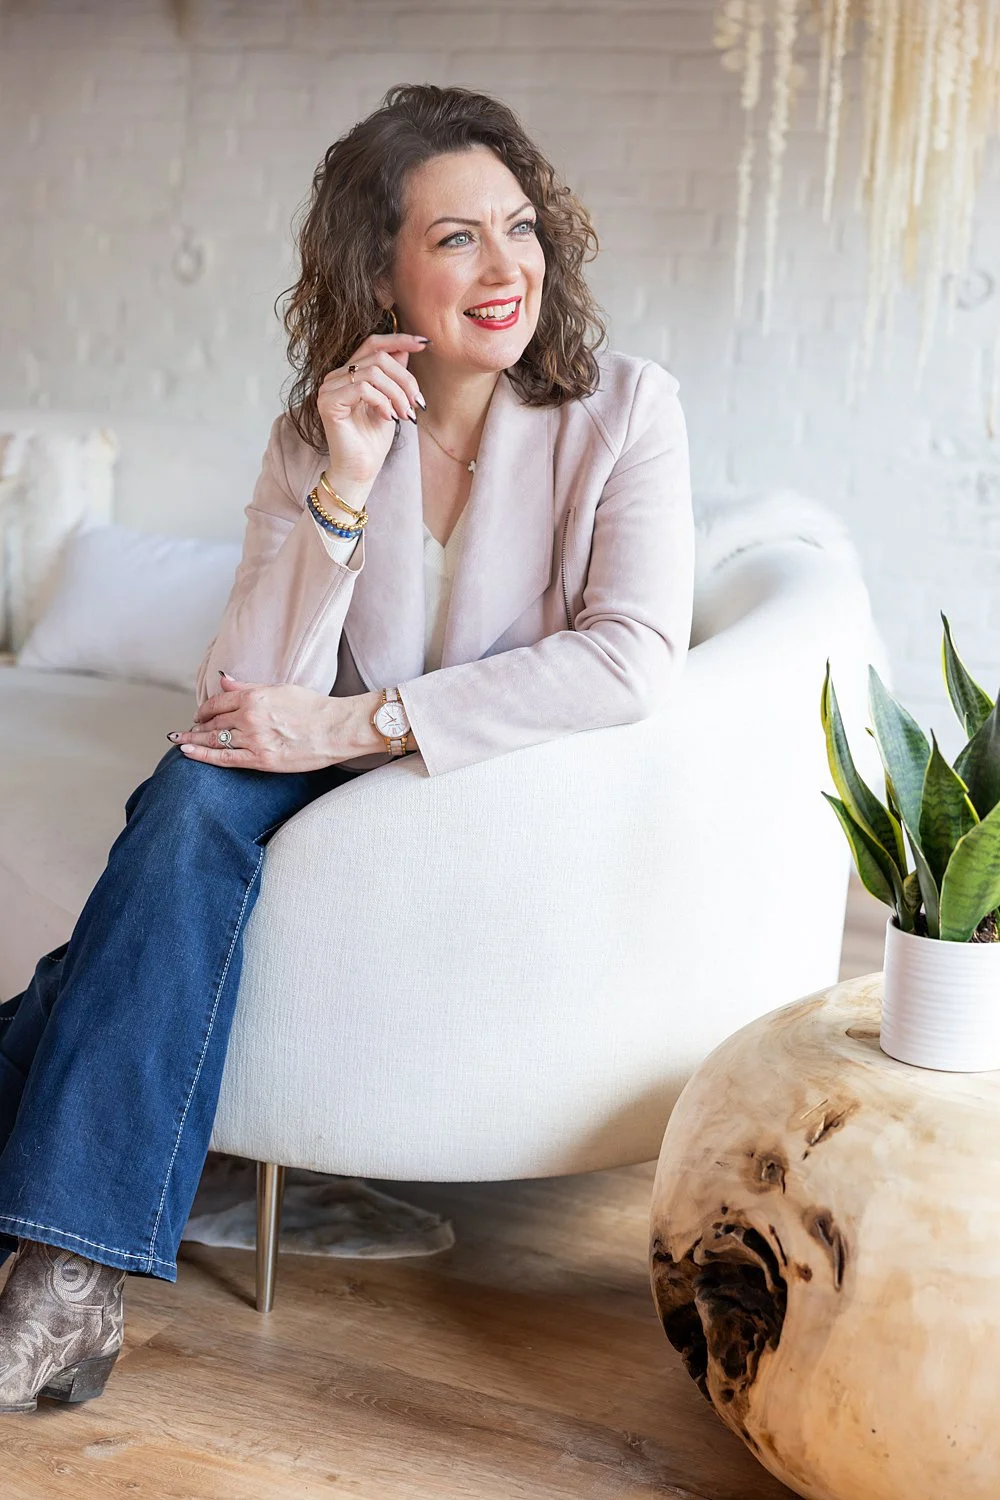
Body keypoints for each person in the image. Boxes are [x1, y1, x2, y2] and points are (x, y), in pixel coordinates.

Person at [0, 82, 695, 1412]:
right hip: (314, 764)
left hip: (469, 778)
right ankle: (70, 1284)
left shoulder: (622, 411)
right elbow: (245, 691)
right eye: (456, 239)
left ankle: (58, 1266)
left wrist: (358, 723)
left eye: (520, 227)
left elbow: (631, 656)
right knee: (194, 794)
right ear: (379, 271)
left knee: (120, 916)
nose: (507, 268)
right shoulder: (313, 436)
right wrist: (346, 482)